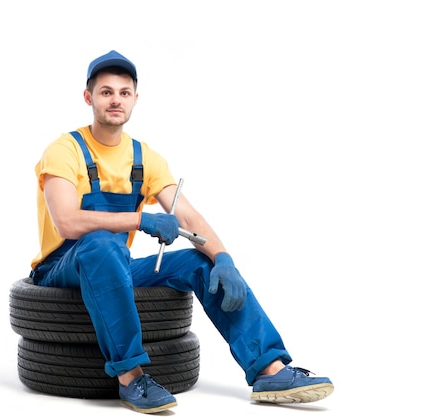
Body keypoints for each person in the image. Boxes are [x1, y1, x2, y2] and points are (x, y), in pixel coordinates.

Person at [29, 50, 334, 414]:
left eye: (124, 93)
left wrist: (223, 258)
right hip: (61, 269)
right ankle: (130, 377)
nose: (115, 100)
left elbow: (187, 215)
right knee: (100, 245)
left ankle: (269, 369)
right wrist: (141, 221)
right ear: (88, 97)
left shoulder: (145, 158)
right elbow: (67, 221)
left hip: (116, 265)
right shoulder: (65, 150)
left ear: (135, 100)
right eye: (106, 92)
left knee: (197, 262)